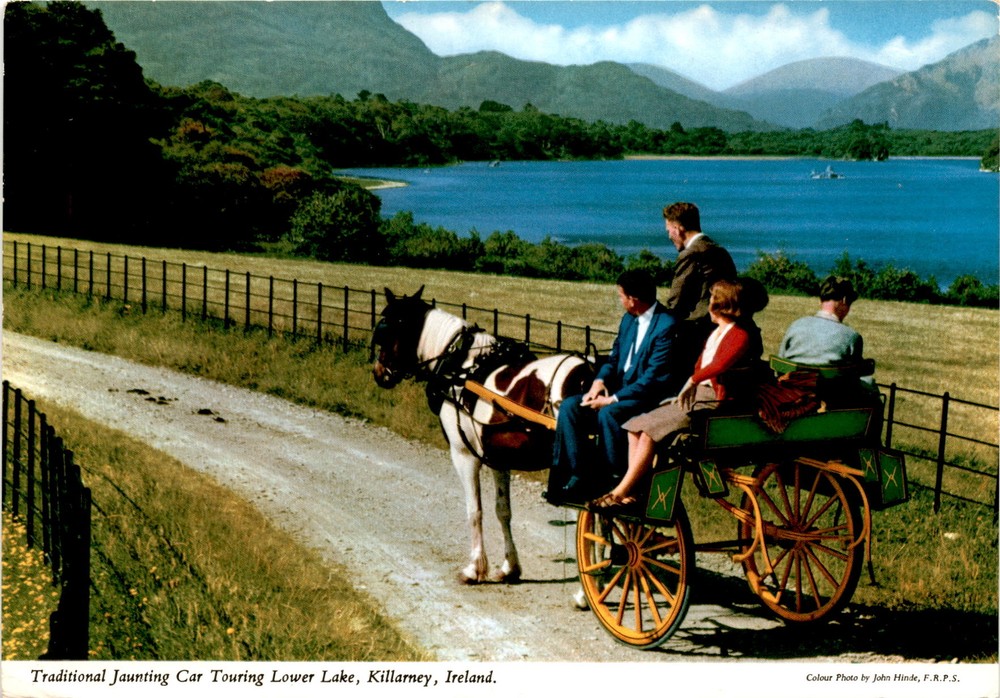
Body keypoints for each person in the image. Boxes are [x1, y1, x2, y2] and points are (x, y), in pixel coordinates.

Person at [590, 278, 769, 511]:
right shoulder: (719, 332)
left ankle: (621, 491)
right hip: (698, 396)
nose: (708, 304)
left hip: (713, 400)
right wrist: (689, 385)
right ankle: (634, 489)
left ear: (721, 305)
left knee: (649, 433)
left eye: (713, 299)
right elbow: (701, 363)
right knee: (634, 428)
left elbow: (719, 365)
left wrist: (692, 382)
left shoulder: (740, 335)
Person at [547, 270, 678, 504]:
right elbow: (614, 359)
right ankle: (579, 474)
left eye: (621, 296)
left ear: (633, 299)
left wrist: (612, 399)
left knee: (609, 413)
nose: (620, 301)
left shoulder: (665, 325)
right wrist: (599, 382)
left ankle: (615, 479)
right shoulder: (629, 319)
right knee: (570, 407)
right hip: (619, 390)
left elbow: (652, 378)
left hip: (647, 397)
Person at [662, 202, 738, 375]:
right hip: (721, 326)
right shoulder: (719, 251)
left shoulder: (692, 253)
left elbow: (676, 301)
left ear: (678, 228)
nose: (669, 236)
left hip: (695, 333)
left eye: (669, 230)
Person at [777, 275, 877, 405]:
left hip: (790, 396)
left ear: (820, 301)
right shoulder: (851, 336)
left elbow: (780, 361)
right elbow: (853, 378)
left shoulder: (796, 325)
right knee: (871, 387)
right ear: (845, 300)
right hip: (831, 400)